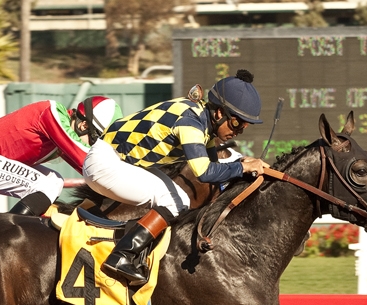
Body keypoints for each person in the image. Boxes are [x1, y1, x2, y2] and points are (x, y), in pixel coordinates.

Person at [82, 69, 271, 286]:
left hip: (118, 161)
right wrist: (243, 168)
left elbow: (214, 164)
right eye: (238, 123)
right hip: (105, 163)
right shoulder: (190, 123)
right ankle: (122, 255)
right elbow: (204, 173)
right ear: (220, 113)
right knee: (175, 201)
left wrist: (243, 164)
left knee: (177, 198)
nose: (239, 131)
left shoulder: (201, 121)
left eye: (245, 126)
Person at [0, 96, 123, 216]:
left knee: (54, 180)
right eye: (94, 140)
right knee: (45, 185)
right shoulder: (52, 112)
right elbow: (86, 158)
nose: (91, 146)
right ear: (84, 125)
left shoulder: (62, 136)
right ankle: (6, 231)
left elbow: (87, 169)